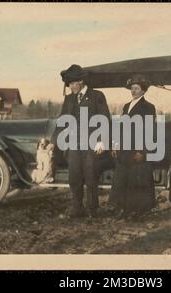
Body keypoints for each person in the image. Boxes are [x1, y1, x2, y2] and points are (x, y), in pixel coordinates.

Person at [57, 64, 111, 218]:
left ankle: (92, 211)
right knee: (74, 177)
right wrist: (54, 141)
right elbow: (62, 121)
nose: (70, 86)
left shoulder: (97, 96)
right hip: (74, 144)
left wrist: (101, 140)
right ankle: (76, 208)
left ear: (81, 81)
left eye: (72, 83)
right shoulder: (69, 99)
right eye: (69, 84)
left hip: (91, 144)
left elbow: (105, 119)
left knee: (91, 177)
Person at [109, 74, 156, 220]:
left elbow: (150, 131)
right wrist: (115, 145)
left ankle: (137, 212)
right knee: (122, 180)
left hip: (137, 150)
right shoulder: (126, 106)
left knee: (137, 180)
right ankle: (122, 209)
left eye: (136, 88)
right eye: (132, 88)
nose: (133, 91)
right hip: (124, 150)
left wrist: (143, 151)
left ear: (143, 91)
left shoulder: (148, 107)